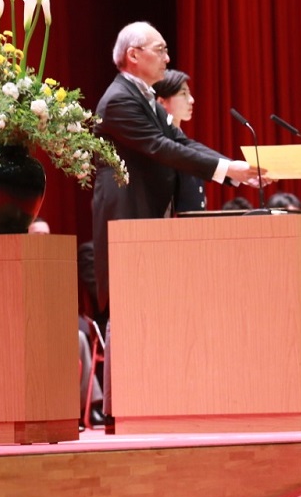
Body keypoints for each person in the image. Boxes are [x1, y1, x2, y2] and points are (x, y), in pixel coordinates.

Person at [92, 21, 264, 425]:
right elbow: (159, 147)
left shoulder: (147, 98)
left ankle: (150, 400)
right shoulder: (119, 99)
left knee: (149, 309)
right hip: (128, 216)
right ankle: (119, 410)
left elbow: (183, 143)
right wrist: (228, 169)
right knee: (127, 310)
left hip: (150, 216)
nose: (168, 58)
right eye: (161, 49)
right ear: (134, 55)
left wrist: (231, 168)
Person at [28, 221, 105, 428]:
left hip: (55, 322)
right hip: (28, 326)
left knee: (79, 338)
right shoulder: (20, 261)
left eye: (46, 234)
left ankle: (82, 410)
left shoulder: (57, 263)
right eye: (37, 234)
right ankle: (78, 410)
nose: (42, 239)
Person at [153, 69, 207, 213]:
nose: (191, 100)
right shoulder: (160, 144)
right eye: (183, 94)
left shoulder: (184, 140)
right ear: (161, 102)